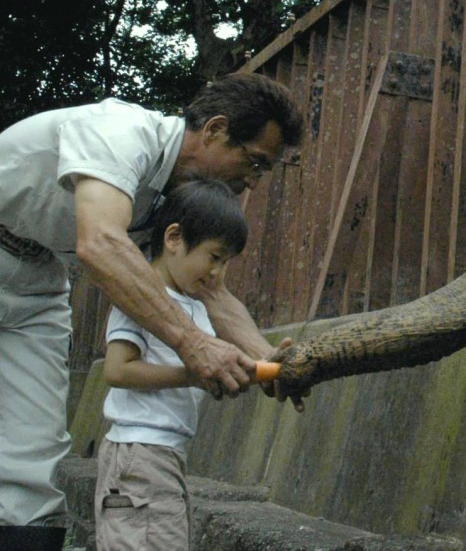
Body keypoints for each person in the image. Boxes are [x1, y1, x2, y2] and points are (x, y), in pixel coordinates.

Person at [0, 73, 304, 551]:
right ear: (215, 129)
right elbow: (99, 242)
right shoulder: (121, 131)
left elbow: (209, 290)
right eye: (255, 163)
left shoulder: (176, 197)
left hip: (39, 283)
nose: (253, 182)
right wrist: (193, 343)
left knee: (34, 462)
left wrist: (269, 360)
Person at [94, 179, 250, 551]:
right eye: (214, 257)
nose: (217, 273)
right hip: (140, 454)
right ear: (174, 238)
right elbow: (117, 370)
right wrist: (191, 375)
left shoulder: (194, 305)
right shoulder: (141, 294)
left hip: (164, 455)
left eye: (226, 263)